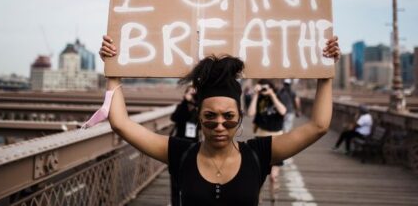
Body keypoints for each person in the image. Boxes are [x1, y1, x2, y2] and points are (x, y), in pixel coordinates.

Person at [92, 35, 339, 205]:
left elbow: (318, 126)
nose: (219, 125)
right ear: (198, 117)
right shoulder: (181, 153)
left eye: (229, 117)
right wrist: (112, 70)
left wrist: (326, 71)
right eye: (210, 117)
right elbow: (121, 124)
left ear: (240, 117)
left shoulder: (258, 154)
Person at [247, 78, 290, 201]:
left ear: (271, 87)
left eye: (266, 87)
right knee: (259, 177)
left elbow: (283, 111)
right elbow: (250, 113)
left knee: (273, 177)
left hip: (277, 140)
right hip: (260, 139)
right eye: (262, 87)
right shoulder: (258, 98)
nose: (264, 90)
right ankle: (258, 201)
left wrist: (272, 95)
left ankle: (273, 200)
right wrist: (256, 94)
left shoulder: (279, 96)